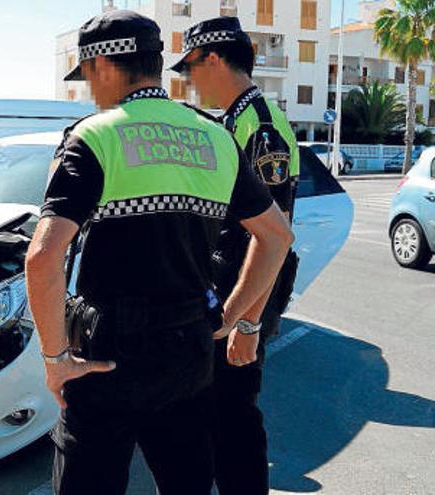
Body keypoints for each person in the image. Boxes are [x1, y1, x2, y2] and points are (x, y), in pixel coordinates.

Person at [24, 10, 294, 495]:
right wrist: (233, 318)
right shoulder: (216, 137)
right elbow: (276, 236)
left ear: (103, 66)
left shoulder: (93, 137)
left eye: (87, 76)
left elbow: (43, 258)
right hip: (190, 351)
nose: (90, 89)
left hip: (109, 355)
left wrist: (55, 359)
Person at [171, 16, 301, 495]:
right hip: (227, 283)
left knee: (234, 418)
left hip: (243, 290)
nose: (188, 80)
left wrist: (246, 323)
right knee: (213, 413)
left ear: (214, 60)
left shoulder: (260, 125)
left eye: (191, 68)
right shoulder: (231, 120)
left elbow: (273, 238)